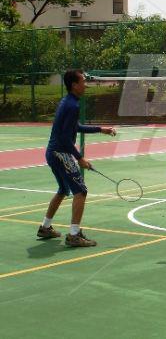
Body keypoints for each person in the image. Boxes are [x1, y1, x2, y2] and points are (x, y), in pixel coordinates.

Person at [37, 69, 116, 246]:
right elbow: (65, 138)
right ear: (74, 85)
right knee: (81, 191)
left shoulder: (67, 102)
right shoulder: (72, 105)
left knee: (63, 190)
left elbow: (75, 127)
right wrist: (79, 158)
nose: (85, 85)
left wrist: (100, 129)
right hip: (60, 153)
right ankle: (74, 235)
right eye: (82, 82)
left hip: (52, 152)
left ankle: (45, 227)